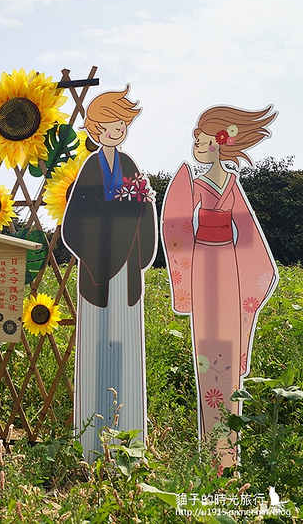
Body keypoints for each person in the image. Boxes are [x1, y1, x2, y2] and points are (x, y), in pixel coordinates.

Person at [161, 105, 277, 468]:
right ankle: (216, 454)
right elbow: (175, 226)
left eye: (202, 138)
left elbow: (249, 239)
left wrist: (255, 278)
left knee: (224, 348)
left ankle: (227, 454)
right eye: (196, 137)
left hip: (229, 271)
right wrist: (188, 275)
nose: (197, 143)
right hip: (208, 270)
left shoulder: (231, 185)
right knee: (210, 354)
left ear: (220, 142)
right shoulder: (191, 183)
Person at [62, 87, 158, 461]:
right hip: (95, 272)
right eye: (107, 125)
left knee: (125, 344)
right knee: (96, 344)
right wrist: (117, 216)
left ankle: (129, 440)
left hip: (127, 272)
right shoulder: (90, 169)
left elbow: (144, 213)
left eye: (120, 124)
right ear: (94, 129)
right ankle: (90, 443)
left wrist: (134, 212)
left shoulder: (132, 168)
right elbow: (76, 220)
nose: (114, 130)